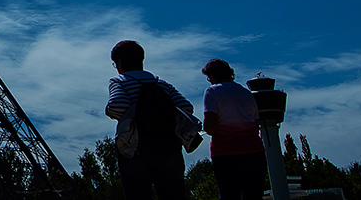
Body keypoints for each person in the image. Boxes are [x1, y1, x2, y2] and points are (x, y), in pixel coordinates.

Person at [105, 40, 194, 200]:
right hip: (169, 146)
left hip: (136, 146)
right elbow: (186, 108)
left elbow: (117, 105)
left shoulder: (119, 81)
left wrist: (131, 113)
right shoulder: (161, 83)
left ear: (119, 62)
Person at [201, 58, 267, 200]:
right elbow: (256, 125)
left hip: (226, 153)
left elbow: (210, 126)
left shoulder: (212, 92)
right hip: (254, 152)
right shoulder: (247, 93)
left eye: (209, 76)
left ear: (213, 75)